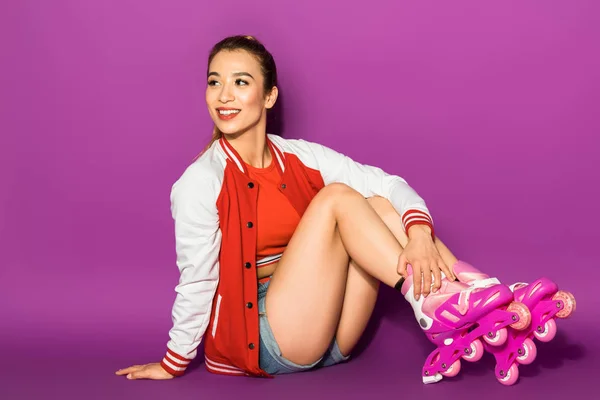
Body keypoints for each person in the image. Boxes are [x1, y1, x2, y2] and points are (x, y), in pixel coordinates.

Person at [115, 35, 573, 384]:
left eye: (241, 82)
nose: (224, 96)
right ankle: (439, 304)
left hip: (334, 333)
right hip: (271, 342)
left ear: (269, 96)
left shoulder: (299, 156)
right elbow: (197, 280)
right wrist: (174, 363)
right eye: (215, 82)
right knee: (337, 199)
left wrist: (416, 234)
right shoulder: (201, 182)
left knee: (375, 202)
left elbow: (390, 186)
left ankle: (484, 300)